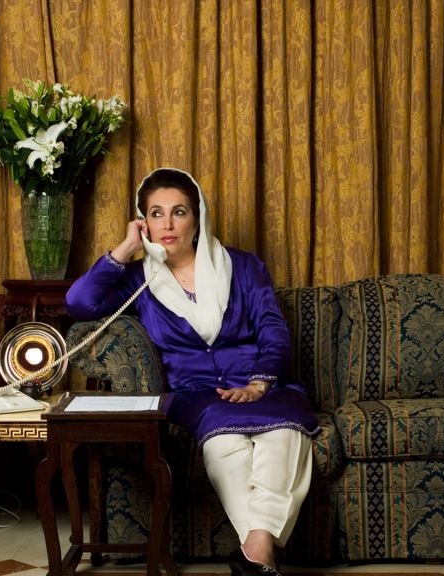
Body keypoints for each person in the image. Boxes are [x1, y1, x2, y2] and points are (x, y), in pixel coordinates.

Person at [65, 167, 318, 576]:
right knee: (223, 441)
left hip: (263, 383)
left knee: (286, 432)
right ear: (143, 222)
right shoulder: (137, 280)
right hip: (196, 393)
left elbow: (273, 330)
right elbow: (79, 304)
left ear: (197, 217)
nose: (167, 224)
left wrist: (258, 383)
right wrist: (126, 247)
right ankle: (261, 546)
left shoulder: (245, 266)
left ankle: (255, 553)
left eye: (179, 212)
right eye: (156, 214)